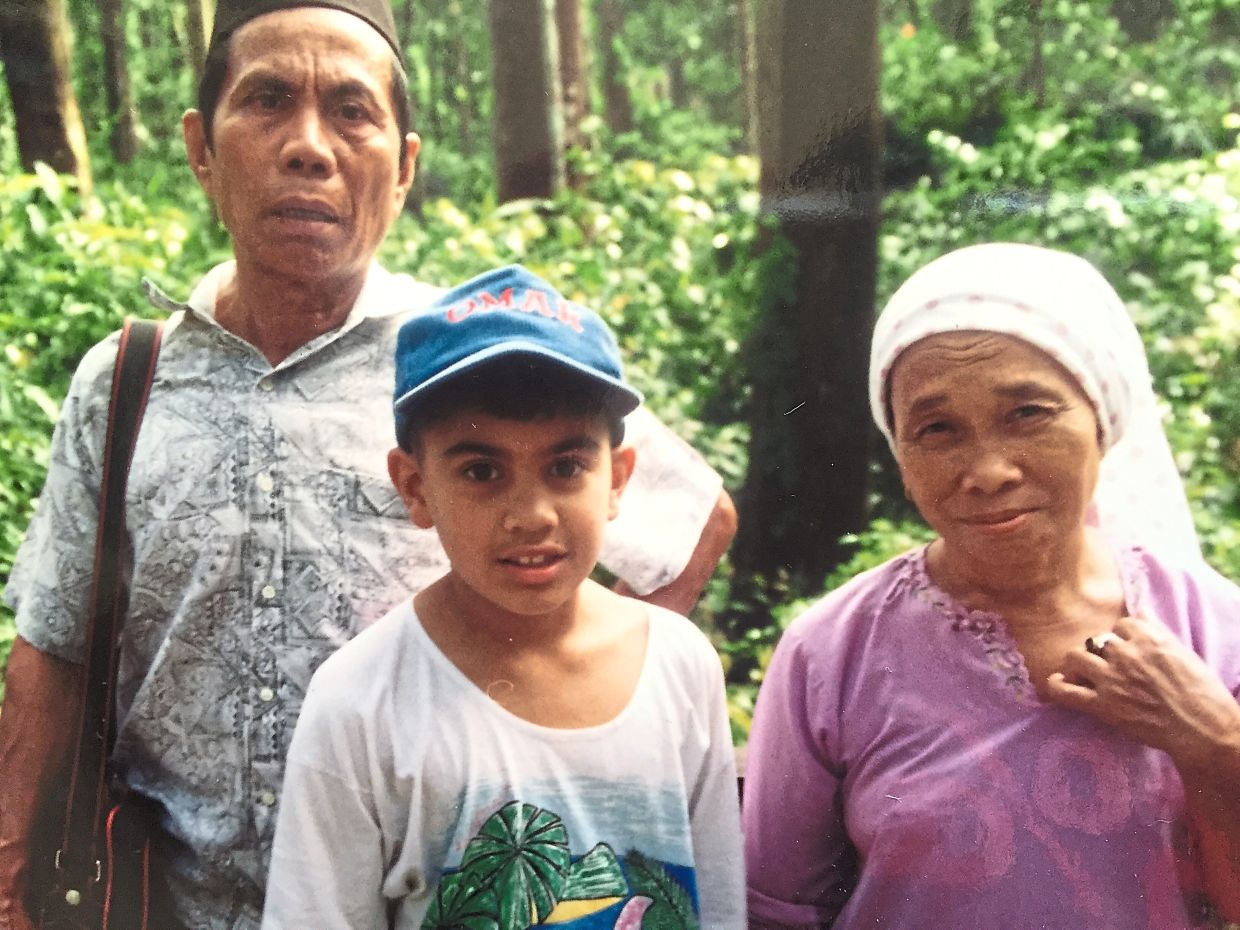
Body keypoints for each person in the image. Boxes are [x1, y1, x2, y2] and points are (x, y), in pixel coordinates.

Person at [0, 3, 737, 928]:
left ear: (406, 166)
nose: (309, 146)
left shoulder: (467, 365)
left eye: (352, 110)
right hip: (162, 904)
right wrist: (10, 879)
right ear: (200, 147)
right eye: (266, 100)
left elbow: (693, 522)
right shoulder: (126, 384)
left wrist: (549, 751)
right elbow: (54, 647)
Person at [742, 242, 1240, 930]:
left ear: (1101, 418)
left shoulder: (1211, 629)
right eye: (937, 429)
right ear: (901, 454)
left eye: (1027, 413)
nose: (987, 471)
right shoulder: (831, 654)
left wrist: (1215, 741)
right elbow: (776, 910)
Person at [260, 264, 745, 929]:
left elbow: (717, 906)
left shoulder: (681, 668)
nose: (532, 514)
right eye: (482, 471)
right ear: (415, 487)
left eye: (566, 467)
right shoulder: (360, 702)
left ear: (618, 478)